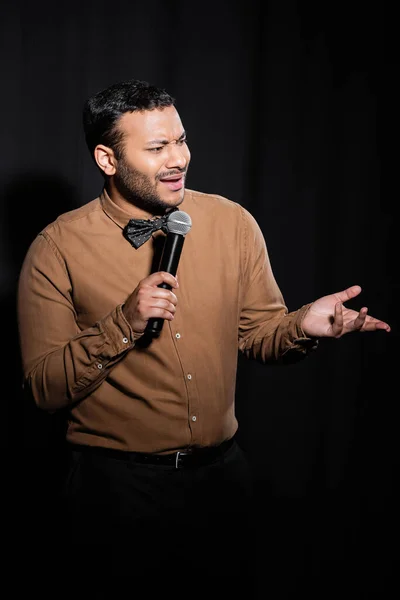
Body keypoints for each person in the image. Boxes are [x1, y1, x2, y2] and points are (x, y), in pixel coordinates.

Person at [17, 79, 390, 599]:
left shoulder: (232, 223)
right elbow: (43, 389)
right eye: (156, 148)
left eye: (181, 140)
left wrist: (303, 326)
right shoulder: (56, 248)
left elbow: (261, 335)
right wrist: (124, 322)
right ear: (107, 158)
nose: (178, 159)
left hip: (223, 484)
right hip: (115, 494)